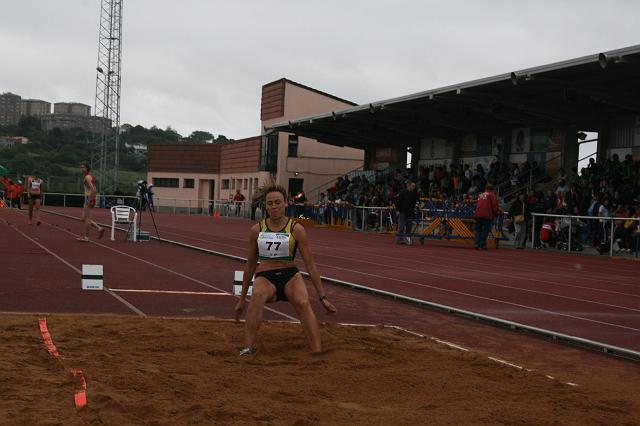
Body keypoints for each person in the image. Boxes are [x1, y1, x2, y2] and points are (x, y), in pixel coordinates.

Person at [234, 184, 337, 355]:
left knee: (303, 303)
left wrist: (322, 297)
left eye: (277, 202)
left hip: (290, 275)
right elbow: (250, 265)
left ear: (285, 204)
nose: (274, 207)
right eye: (270, 203)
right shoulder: (256, 230)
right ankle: (247, 348)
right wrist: (241, 299)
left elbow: (310, 265)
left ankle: (317, 352)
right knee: (257, 296)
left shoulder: (296, 229)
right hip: (265, 276)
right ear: (265, 206)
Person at [78, 162, 105, 242]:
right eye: (81, 167)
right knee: (83, 219)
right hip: (88, 198)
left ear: (87, 169)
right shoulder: (88, 176)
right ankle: (99, 228)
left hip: (88, 198)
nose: (82, 169)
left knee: (87, 219)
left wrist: (91, 200)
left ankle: (86, 237)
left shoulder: (87, 177)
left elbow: (94, 189)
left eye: (83, 167)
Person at [474, 182, 499, 250]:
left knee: (478, 230)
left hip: (478, 214)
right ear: (493, 189)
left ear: (485, 189)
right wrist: (496, 213)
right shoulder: (492, 194)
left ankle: (477, 243)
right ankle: (482, 244)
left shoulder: (481, 194)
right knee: (486, 230)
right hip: (486, 214)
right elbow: (495, 205)